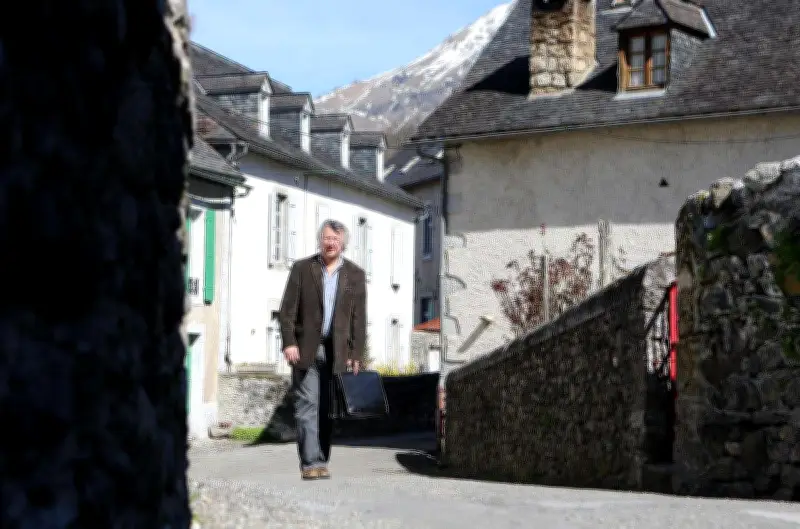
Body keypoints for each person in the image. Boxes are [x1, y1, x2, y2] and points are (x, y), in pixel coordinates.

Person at [279, 219, 367, 480]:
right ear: (320, 240)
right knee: (307, 404)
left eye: (336, 240)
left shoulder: (355, 275)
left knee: (327, 409)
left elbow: (358, 319)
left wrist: (356, 354)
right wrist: (289, 342)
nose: (330, 243)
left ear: (343, 245)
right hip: (306, 348)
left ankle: (321, 458)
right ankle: (310, 463)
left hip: (337, 351)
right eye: (327, 238)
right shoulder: (302, 269)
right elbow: (287, 311)